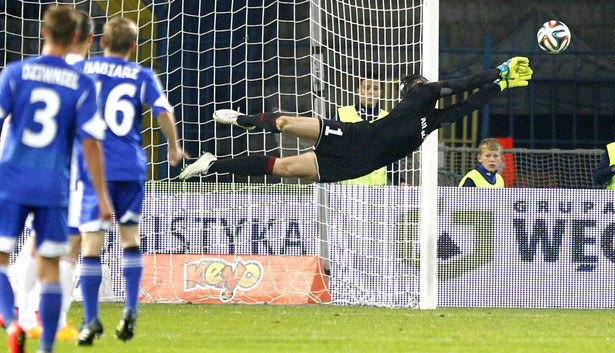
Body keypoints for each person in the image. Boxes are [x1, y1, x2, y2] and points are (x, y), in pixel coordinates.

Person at [179, 57, 533, 182]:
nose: (418, 86)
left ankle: (212, 164)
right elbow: (462, 85)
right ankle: (245, 119)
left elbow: (466, 105)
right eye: (415, 84)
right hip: (354, 137)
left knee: (284, 169)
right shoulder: (421, 96)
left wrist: (500, 84)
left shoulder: (433, 119)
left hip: (359, 165)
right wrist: (497, 72)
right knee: (287, 124)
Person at [0, 6, 112, 353]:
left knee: (2, 257)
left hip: (12, 178)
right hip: (55, 185)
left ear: (43, 31)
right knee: (51, 264)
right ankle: (46, 346)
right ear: (79, 37)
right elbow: (91, 144)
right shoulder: (82, 82)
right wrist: (103, 197)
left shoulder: (16, 72)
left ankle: (12, 319)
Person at [76, 16, 188, 346]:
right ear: (134, 47)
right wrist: (173, 146)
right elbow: (164, 112)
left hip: (94, 166)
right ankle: (130, 308)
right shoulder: (142, 74)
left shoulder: (85, 70)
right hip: (129, 165)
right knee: (129, 238)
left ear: (100, 42)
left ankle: (90, 319)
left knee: (91, 243)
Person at [334, 74, 404, 185]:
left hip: (377, 191)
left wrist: (400, 182)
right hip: (346, 189)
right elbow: (332, 148)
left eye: (375, 89)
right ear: (358, 90)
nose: (371, 92)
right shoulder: (342, 114)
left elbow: (391, 158)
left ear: (380, 92)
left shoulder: (388, 119)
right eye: (367, 88)